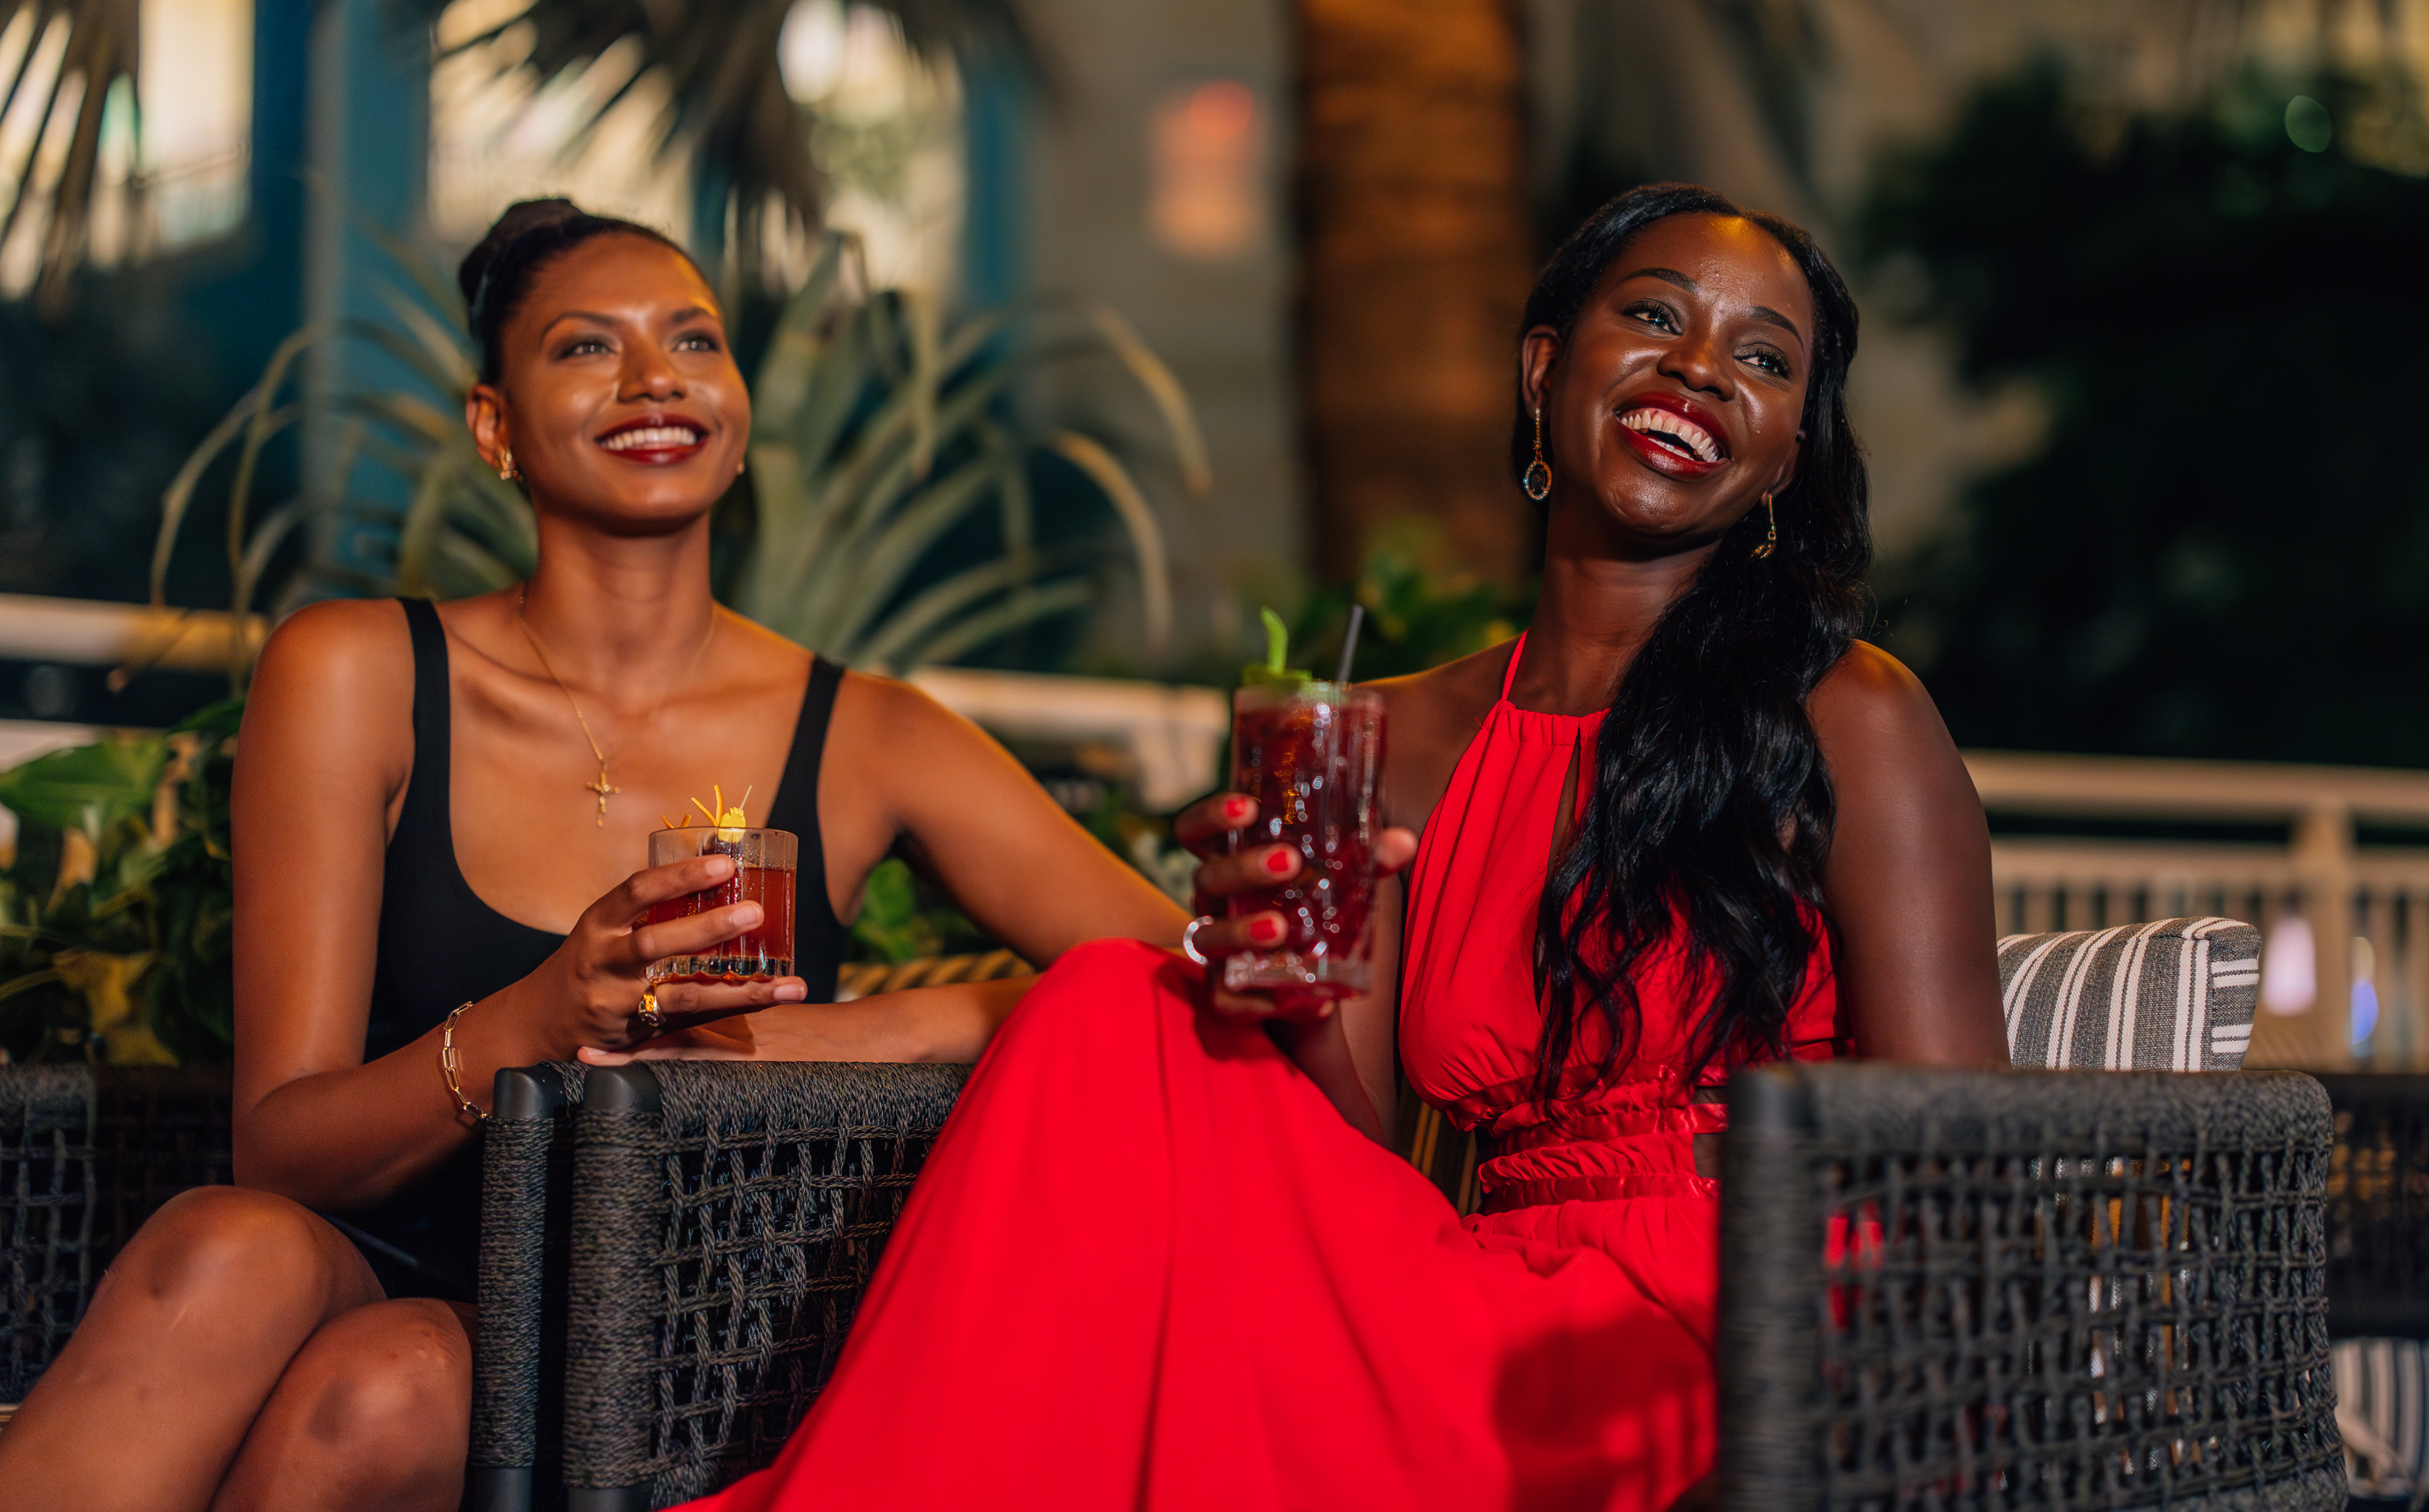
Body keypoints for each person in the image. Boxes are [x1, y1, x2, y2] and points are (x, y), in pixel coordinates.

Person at [675, 183, 2009, 1511]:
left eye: (1763, 358)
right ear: (1548, 370)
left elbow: (1960, 1155)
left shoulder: (1848, 716)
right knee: (1113, 1002)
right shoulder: (1386, 734)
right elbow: (1353, 1155)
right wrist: (1282, 981)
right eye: (1654, 316)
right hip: (1472, 1292)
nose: (1702, 370)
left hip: (1735, 1326)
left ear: (1783, 455)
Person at [0, 200, 1187, 1512]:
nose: (653, 378)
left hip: (666, 1314)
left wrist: (865, 1033)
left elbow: (1172, 975)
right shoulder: (357, 673)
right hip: (362, 1243)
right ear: (494, 427)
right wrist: (546, 1012)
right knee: (228, 1247)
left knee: (383, 1390)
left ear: (736, 412)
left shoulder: (870, 736)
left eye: (694, 340)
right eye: (584, 348)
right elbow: (281, 1151)